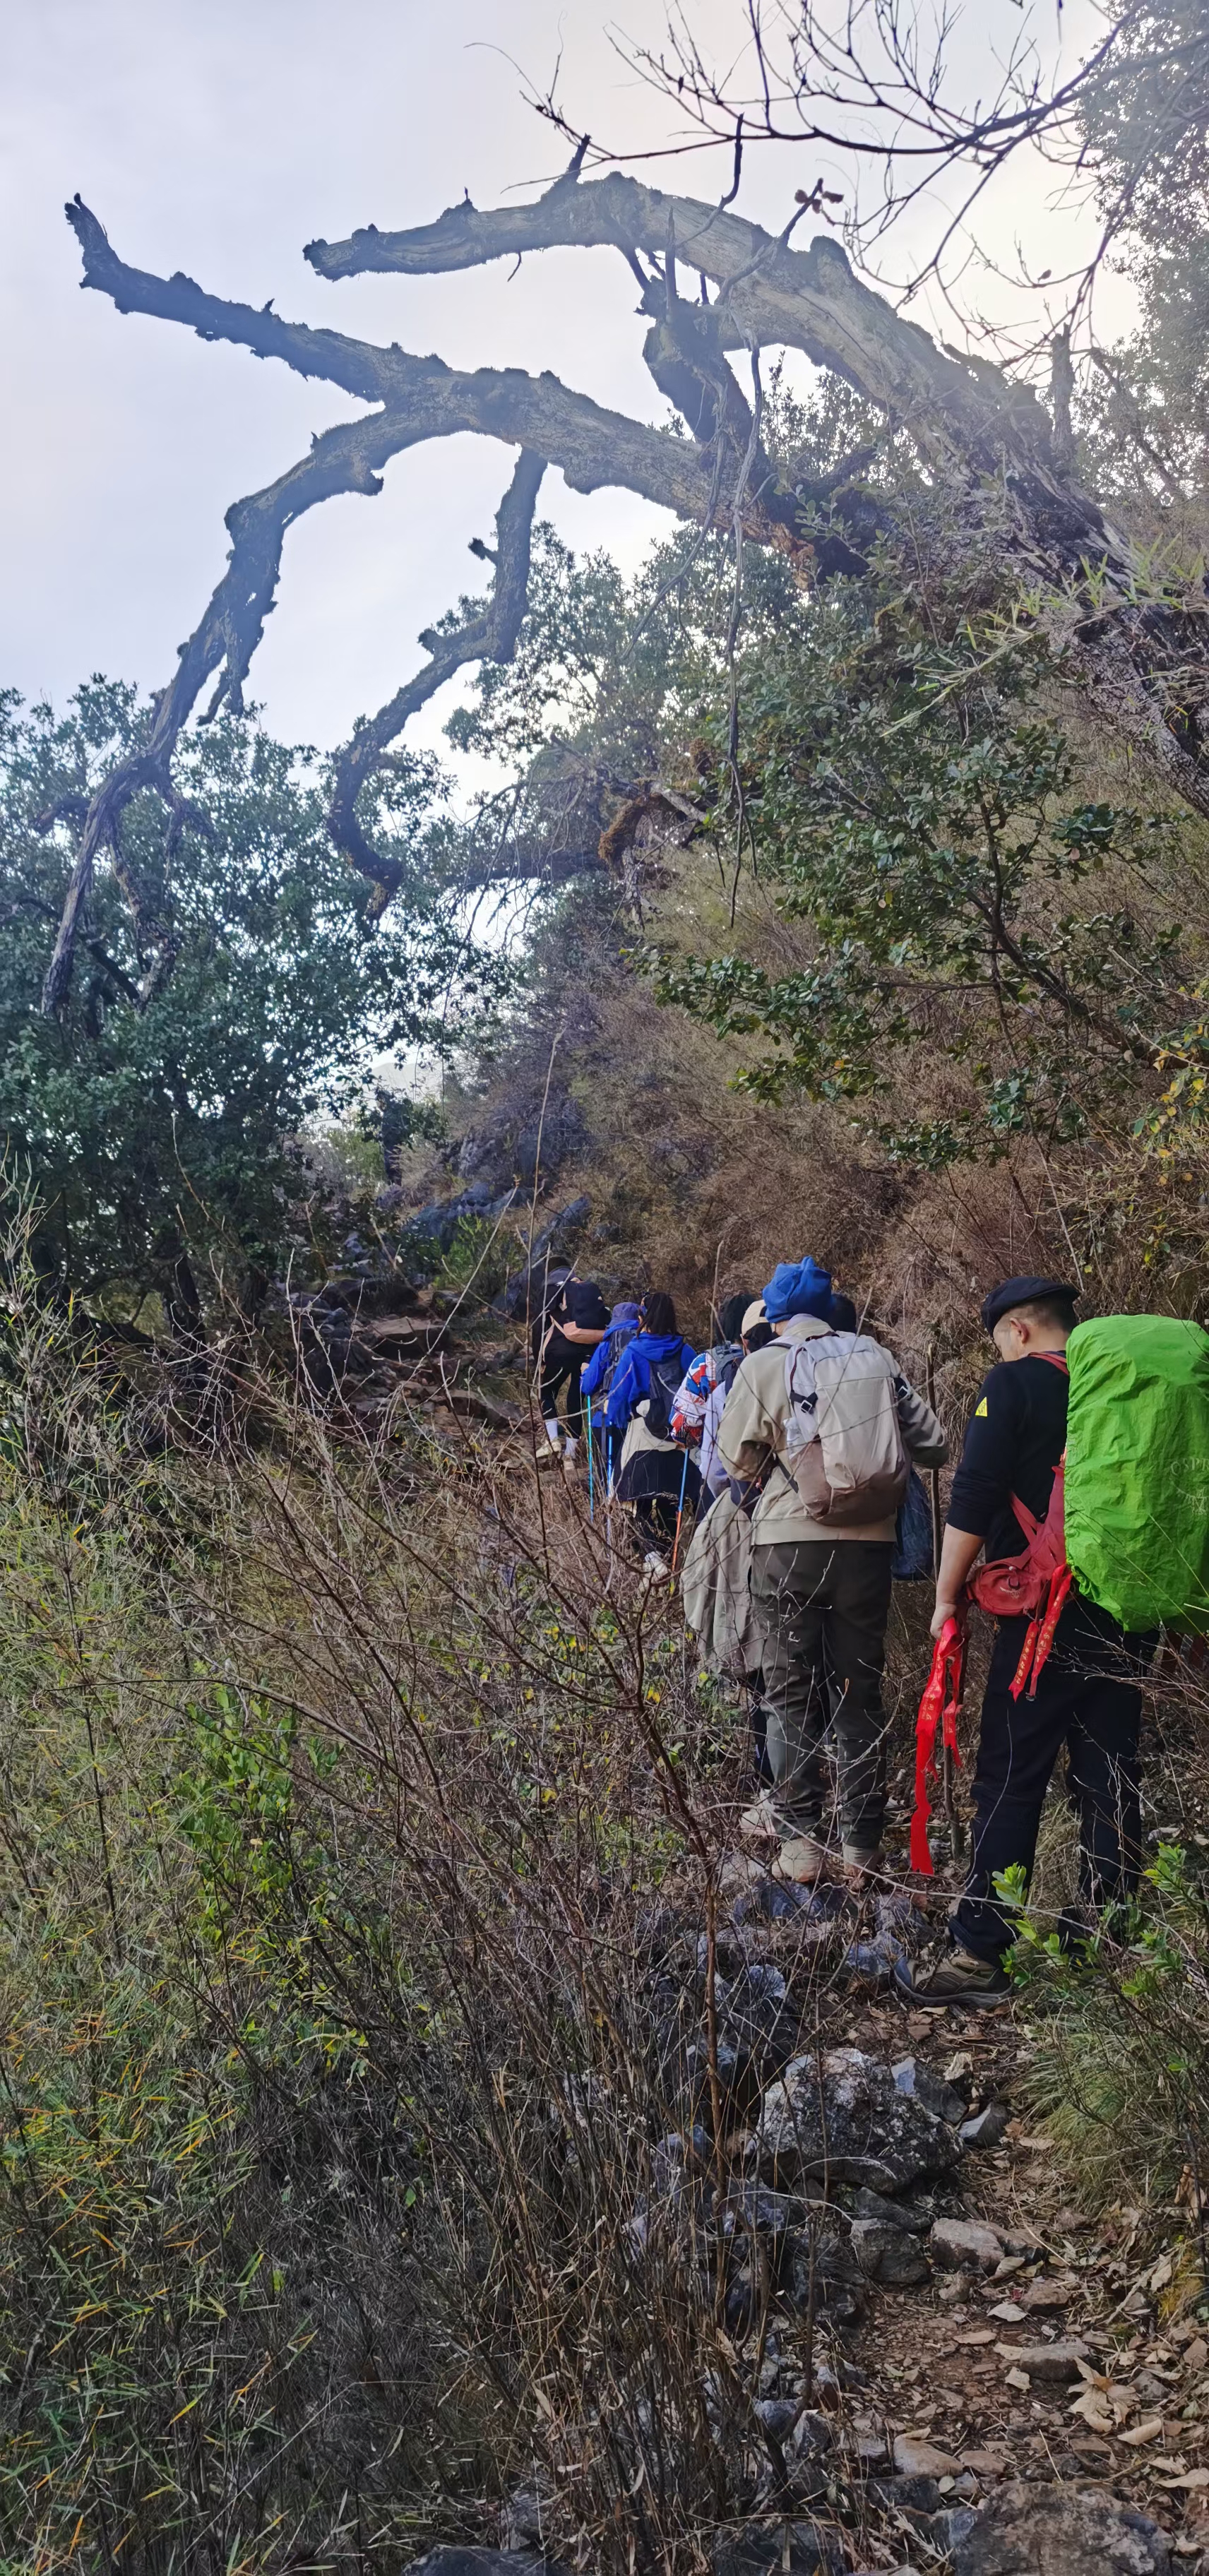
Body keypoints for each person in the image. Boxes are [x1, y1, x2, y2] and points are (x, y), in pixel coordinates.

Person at [896, 1275, 1153, 2010]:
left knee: (1009, 1776)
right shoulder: (1125, 1383)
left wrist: (946, 1596)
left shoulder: (1012, 1385)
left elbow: (975, 1493)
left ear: (1017, 1331)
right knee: (1109, 1770)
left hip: (1047, 1617)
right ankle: (1107, 1940)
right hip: (1130, 1607)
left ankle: (981, 1953)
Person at [716, 1256, 947, 1886]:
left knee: (789, 1693)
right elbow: (933, 1443)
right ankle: (861, 1848)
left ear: (777, 1315)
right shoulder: (876, 1356)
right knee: (858, 1694)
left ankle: (800, 1846)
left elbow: (735, 1459)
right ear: (827, 1309)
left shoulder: (765, 1364)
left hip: (787, 1548)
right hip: (868, 1550)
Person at [604, 1292, 701, 1572]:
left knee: (638, 1502)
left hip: (643, 1436)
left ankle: (652, 1559)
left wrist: (615, 1423)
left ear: (642, 1318)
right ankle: (671, 1559)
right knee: (672, 1500)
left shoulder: (634, 1352)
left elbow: (618, 1401)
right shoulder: (686, 1351)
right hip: (679, 1438)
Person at [532, 1273, 609, 1472]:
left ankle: (553, 1441)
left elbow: (538, 1328)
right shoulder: (591, 1293)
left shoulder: (554, 1292)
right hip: (588, 1355)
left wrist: (539, 1359)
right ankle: (570, 1456)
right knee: (576, 1402)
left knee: (546, 1391)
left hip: (559, 1354)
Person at [579, 1299, 642, 1487]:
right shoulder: (644, 1342)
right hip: (639, 1421)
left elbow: (588, 1387)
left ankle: (605, 1504)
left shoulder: (607, 1344)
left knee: (604, 1477)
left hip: (607, 1420)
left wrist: (584, 1373)